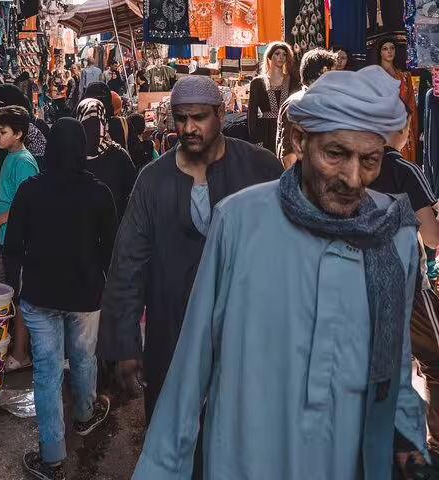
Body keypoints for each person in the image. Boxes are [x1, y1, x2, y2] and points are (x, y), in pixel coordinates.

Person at [132, 66, 427, 480]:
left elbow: (394, 370)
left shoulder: (392, 233)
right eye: (336, 154)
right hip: (247, 460)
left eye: (370, 160)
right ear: (300, 140)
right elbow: (191, 367)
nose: (352, 178)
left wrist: (409, 441)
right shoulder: (239, 222)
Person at [97, 76, 284, 441]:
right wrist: (125, 344)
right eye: (181, 119)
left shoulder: (261, 169)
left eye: (199, 117)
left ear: (221, 114)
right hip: (173, 333)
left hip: (245, 332)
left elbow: (288, 251)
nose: (188, 128)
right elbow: (127, 265)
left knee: (243, 436)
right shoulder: (152, 180)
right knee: (175, 436)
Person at [4, 118, 117, 480]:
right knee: (83, 359)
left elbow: (14, 246)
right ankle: (84, 416)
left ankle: (52, 458)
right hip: (85, 294)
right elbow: (110, 250)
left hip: (39, 294)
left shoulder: (31, 190)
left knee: (47, 373)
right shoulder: (99, 193)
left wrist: (16, 286)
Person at [368, 100, 439, 461]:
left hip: (352, 280)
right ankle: (434, 443)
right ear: (404, 127)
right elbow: (432, 237)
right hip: (404, 284)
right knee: (435, 359)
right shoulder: (403, 170)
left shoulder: (345, 164)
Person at [0, 105, 39, 372]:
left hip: (19, 239)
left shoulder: (24, 161)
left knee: (20, 296)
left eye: (2, 131)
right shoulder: (11, 156)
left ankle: (21, 353)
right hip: (9, 237)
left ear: (18, 134)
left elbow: (25, 203)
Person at [76, 98, 137, 220]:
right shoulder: (119, 155)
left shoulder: (71, 156)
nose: (93, 130)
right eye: (88, 125)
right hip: (114, 226)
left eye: (95, 124)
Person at [277, 48, 337, 168]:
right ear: (324, 72)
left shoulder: (316, 101)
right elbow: (290, 157)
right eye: (333, 73)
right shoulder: (298, 104)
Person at [248, 41, 300, 154]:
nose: (281, 57)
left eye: (284, 54)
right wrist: (255, 139)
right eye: (277, 53)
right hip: (265, 133)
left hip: (287, 131)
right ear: (270, 57)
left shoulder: (293, 82)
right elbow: (251, 114)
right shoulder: (257, 83)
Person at [378, 37, 418, 163]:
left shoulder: (405, 77)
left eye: (392, 48)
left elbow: (411, 105)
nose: (389, 51)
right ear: (379, 52)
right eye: (385, 49)